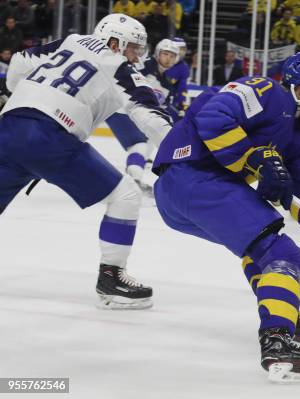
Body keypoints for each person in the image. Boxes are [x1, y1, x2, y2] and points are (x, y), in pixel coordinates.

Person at [151, 51, 300, 383]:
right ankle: (277, 340)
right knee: (283, 254)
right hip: (190, 175)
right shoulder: (267, 92)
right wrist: (252, 158)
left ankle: (279, 312)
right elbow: (213, 116)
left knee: (259, 251)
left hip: (193, 193)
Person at [0, 14, 173, 309]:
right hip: (51, 136)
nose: (137, 56)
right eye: (134, 48)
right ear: (115, 42)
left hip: (9, 126)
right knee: (126, 196)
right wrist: (180, 152)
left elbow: (19, 61)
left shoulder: (70, 40)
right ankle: (112, 279)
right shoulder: (118, 66)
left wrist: (26, 94)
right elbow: (150, 117)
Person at [106, 38, 180, 197]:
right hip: (121, 108)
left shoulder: (167, 85)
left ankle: (134, 178)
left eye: (172, 56)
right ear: (157, 53)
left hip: (134, 113)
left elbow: (161, 108)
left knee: (146, 144)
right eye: (165, 54)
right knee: (139, 144)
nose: (168, 58)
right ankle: (133, 180)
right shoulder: (145, 65)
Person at [165, 36, 190, 120]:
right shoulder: (159, 62)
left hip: (170, 104)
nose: (182, 53)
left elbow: (182, 89)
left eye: (183, 50)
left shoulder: (183, 67)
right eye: (180, 50)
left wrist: (183, 107)